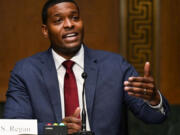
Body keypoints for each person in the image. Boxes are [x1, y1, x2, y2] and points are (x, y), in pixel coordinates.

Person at [4, 0, 169, 135]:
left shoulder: (115, 66)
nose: (69, 24)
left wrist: (153, 99)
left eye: (75, 17)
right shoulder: (26, 71)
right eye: (58, 20)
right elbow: (11, 128)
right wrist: (55, 130)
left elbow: (154, 117)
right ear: (45, 31)